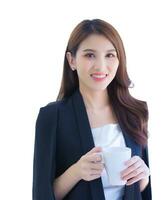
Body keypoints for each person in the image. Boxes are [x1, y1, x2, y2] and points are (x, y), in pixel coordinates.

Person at [32, 19, 152, 200]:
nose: (101, 66)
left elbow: (141, 190)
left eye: (110, 55)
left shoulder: (135, 112)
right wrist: (76, 172)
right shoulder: (52, 117)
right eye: (90, 55)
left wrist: (143, 176)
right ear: (71, 60)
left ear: (119, 60)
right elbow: (42, 194)